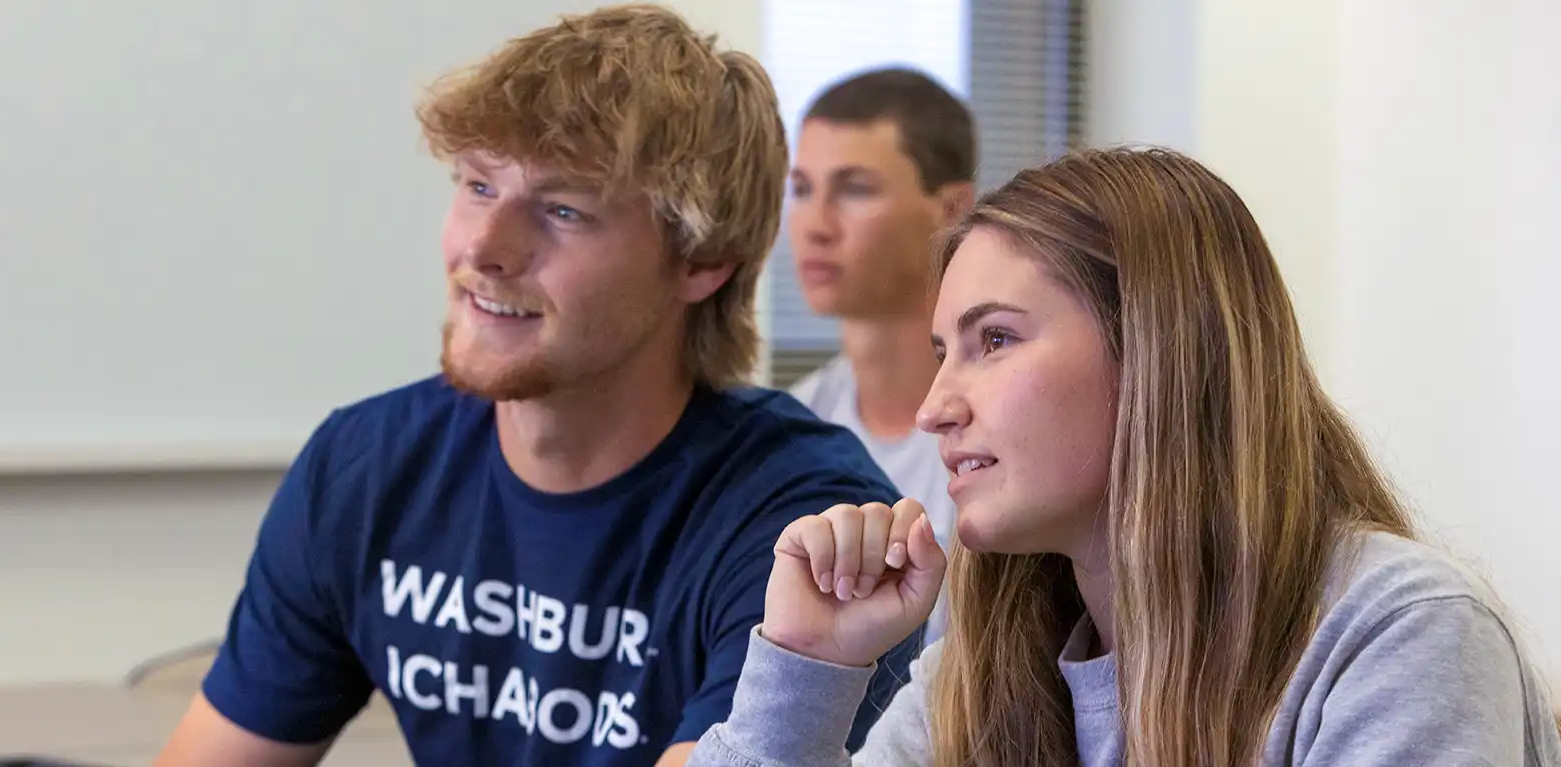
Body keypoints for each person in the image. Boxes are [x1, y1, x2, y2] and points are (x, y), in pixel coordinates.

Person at [152, 5, 918, 767]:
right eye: (478, 186)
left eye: (561, 210)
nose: (484, 248)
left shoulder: (806, 531)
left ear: (700, 260)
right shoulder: (365, 468)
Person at [688, 146, 1561, 765]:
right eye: (942, 350)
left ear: (1159, 350)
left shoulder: (1402, 634)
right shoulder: (985, 662)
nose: (934, 408)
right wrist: (809, 661)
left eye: (995, 338)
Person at [785, 67, 976, 647]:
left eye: (856, 188)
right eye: (801, 189)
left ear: (951, 208)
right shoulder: (793, 429)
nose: (815, 225)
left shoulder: (994, 436)